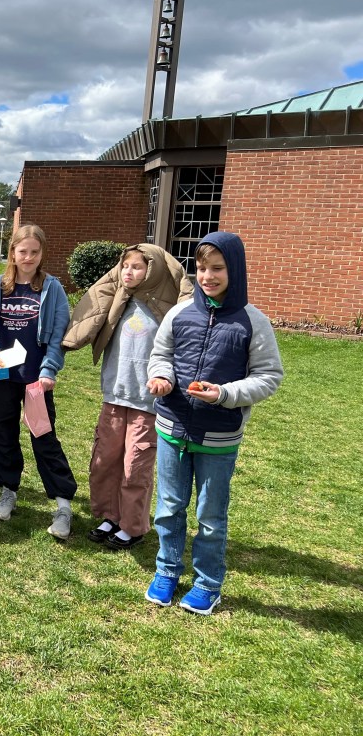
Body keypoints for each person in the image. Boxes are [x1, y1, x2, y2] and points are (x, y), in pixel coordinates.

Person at [144, 231, 283, 615]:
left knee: (210, 517)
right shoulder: (179, 313)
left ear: (234, 270)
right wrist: (162, 377)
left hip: (219, 438)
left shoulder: (253, 322)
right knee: (169, 508)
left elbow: (269, 376)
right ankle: (167, 571)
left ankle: (207, 583)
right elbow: (161, 354)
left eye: (217, 268)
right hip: (172, 427)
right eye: (202, 268)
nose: (208, 276)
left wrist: (224, 393)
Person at [63, 244, 193, 549]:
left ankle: (132, 525)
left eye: (137, 266)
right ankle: (110, 516)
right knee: (106, 460)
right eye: (125, 266)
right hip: (114, 395)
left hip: (147, 402)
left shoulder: (166, 308)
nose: (129, 272)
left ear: (153, 270)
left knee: (135, 466)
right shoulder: (118, 300)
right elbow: (91, 313)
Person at [0, 223, 77, 539]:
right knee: (3, 434)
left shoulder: (52, 288)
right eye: (22, 251)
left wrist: (49, 371)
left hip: (36, 381)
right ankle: (7, 491)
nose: (28, 257)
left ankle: (63, 505)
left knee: (43, 437)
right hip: (3, 377)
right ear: (12, 252)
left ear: (42, 254)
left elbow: (58, 335)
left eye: (34, 252)